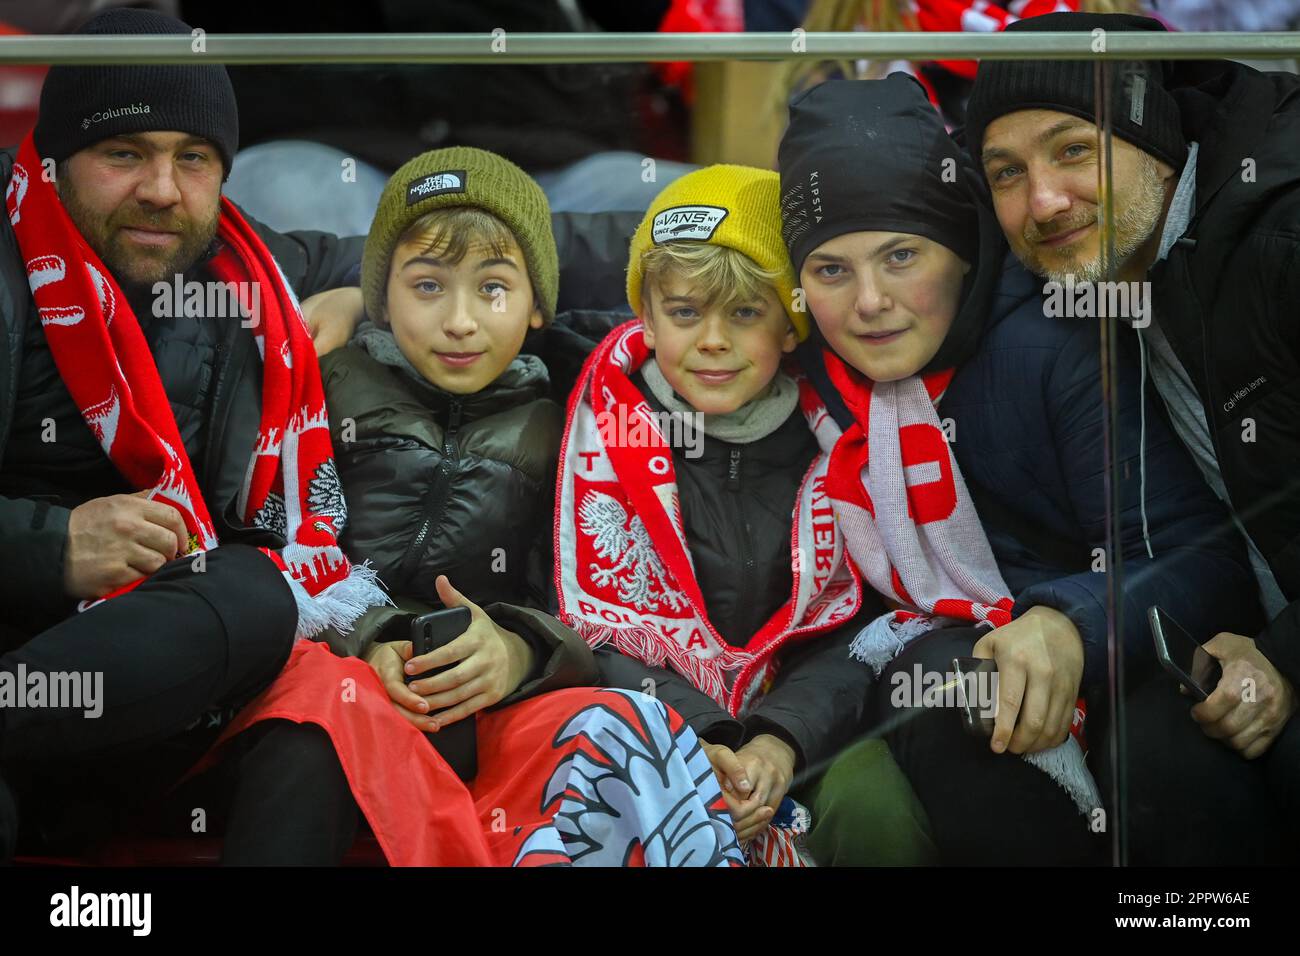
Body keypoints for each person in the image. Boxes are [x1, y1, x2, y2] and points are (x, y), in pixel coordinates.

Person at [777, 74, 1260, 863]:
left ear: (963, 249)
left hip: (1119, 664)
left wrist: (1072, 622)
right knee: (942, 681)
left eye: (901, 255)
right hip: (948, 686)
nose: (869, 301)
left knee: (1160, 751)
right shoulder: (805, 385)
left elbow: (1204, 558)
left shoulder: (1053, 343)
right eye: (831, 270)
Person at [224, 146, 740, 867]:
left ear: (536, 306)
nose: (460, 321)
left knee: (613, 732)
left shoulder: (575, 422)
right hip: (321, 675)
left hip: (485, 700)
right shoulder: (323, 383)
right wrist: (369, 637)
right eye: (427, 286)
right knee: (318, 726)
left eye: (493, 289)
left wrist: (519, 649)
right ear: (379, 296)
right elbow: (257, 544)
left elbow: (587, 600)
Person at [0, 8, 392, 864]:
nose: (163, 189)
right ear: (56, 159)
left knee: (256, 600)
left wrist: (371, 293)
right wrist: (52, 544)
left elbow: (461, 252)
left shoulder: (244, 267)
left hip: (157, 692)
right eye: (124, 153)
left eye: (194, 157)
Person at [965, 10, 1300, 862]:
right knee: (1154, 756)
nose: (1042, 200)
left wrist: (1285, 655)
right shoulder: (1117, 265)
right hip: (1241, 636)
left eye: (1074, 149)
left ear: (1151, 131)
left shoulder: (1280, 234)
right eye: (1007, 172)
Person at [554, 164, 921, 865]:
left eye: (746, 313)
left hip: (807, 728)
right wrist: (707, 736)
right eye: (686, 312)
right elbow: (588, 625)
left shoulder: (839, 437)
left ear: (790, 325)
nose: (713, 340)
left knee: (876, 815)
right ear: (647, 313)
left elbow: (866, 626)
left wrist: (779, 739)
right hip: (642, 720)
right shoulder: (594, 419)